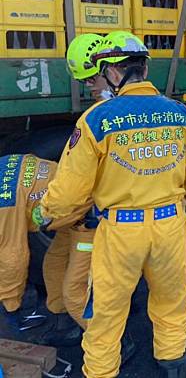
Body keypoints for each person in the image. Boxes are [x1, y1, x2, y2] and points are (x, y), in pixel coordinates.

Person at [33, 31, 186, 378]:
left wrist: (46, 214)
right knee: (172, 305)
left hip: (120, 232)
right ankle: (172, 366)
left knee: (106, 315)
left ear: (114, 73)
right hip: (171, 227)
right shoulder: (181, 115)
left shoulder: (96, 121)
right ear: (143, 67)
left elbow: (70, 190)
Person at [38, 34, 136, 363]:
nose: (89, 87)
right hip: (76, 215)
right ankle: (67, 322)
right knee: (53, 265)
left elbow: (87, 179)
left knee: (75, 289)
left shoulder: (107, 117)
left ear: (107, 73)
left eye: (91, 80)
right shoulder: (101, 112)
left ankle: (114, 342)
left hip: (91, 220)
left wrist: (50, 211)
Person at [0, 154, 70, 336]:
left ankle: (119, 337)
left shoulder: (4, 204)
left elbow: (13, 259)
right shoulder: (4, 165)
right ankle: (64, 322)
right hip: (70, 194)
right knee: (54, 265)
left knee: (85, 277)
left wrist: (10, 306)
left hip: (80, 212)